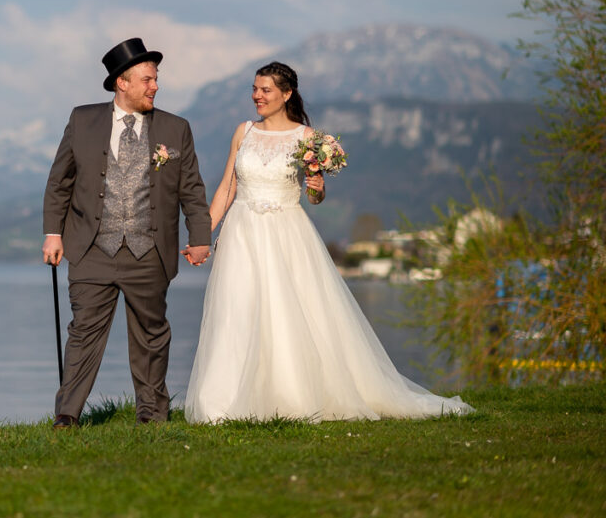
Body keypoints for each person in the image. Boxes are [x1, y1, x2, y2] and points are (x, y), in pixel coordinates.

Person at [184, 61, 473, 423]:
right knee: (236, 310)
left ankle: (288, 396)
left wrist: (317, 189)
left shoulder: (307, 139)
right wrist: (201, 237)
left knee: (284, 312)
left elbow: (315, 198)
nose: (257, 96)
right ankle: (223, 402)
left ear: (286, 94)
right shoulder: (243, 132)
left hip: (286, 234)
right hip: (241, 233)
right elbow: (227, 187)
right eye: (255, 89)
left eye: (266, 90)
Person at [43, 38, 212, 428]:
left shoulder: (176, 127)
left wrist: (199, 236)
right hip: (90, 249)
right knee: (83, 332)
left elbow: (192, 188)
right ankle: (67, 414)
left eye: (155, 80)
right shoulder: (83, 120)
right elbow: (59, 183)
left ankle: (152, 415)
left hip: (149, 251)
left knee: (152, 337)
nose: (155, 86)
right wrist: (53, 233)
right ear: (123, 82)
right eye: (148, 80)